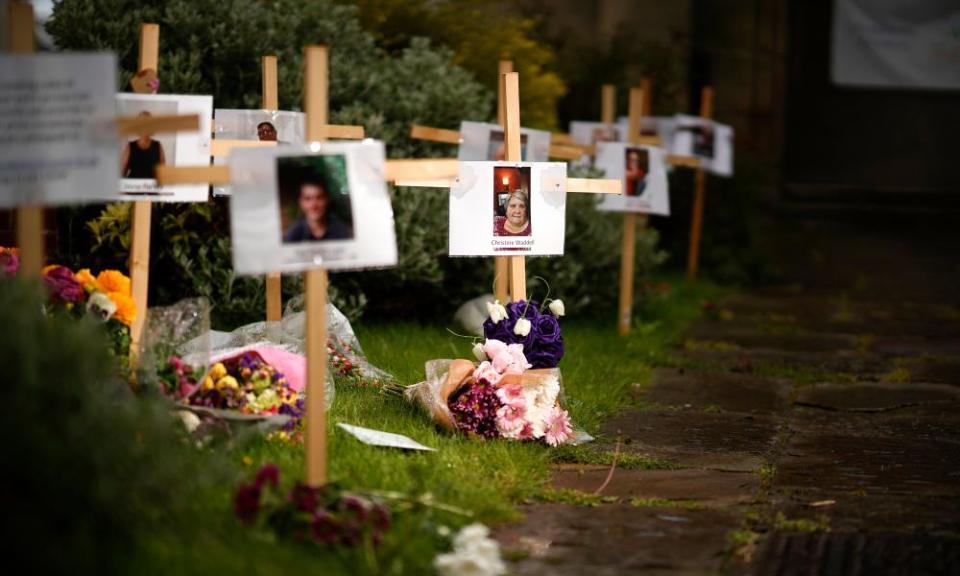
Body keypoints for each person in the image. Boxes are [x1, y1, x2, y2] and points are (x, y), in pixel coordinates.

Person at [282, 175, 352, 243]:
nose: (314, 205)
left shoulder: (342, 231)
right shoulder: (293, 235)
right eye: (307, 199)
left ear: (327, 200)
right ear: (300, 202)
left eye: (319, 198)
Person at [120, 111, 166, 179]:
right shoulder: (130, 146)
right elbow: (122, 173)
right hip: (132, 188)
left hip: (152, 188)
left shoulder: (158, 145)